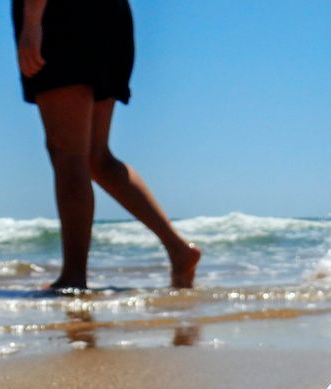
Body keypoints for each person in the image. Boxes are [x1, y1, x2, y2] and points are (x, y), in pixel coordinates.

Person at [13, 0, 200, 290]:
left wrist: (33, 20)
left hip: (62, 19)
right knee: (95, 157)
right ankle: (178, 249)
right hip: (110, 17)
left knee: (69, 156)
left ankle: (73, 277)